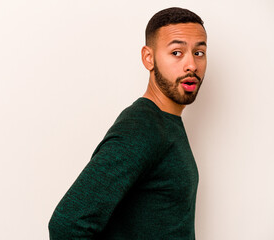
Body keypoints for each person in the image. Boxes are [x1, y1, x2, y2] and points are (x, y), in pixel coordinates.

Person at [49, 7, 207, 240]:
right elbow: (67, 225)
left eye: (199, 53)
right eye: (176, 52)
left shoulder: (165, 123)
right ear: (148, 58)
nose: (191, 65)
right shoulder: (142, 127)